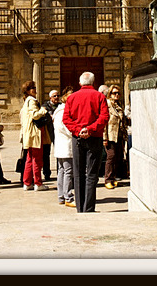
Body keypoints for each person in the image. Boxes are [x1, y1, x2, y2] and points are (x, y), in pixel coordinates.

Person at [62, 71, 109, 213]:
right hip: (94, 138)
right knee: (92, 174)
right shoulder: (100, 96)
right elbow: (104, 117)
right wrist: (90, 129)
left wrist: (78, 130)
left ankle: (80, 207)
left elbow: (66, 119)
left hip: (77, 139)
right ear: (93, 83)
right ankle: (89, 208)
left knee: (78, 173)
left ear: (80, 83)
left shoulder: (72, 98)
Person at [19, 80, 49, 191]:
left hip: (29, 133)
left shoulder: (26, 101)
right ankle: (38, 182)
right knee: (37, 158)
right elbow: (35, 115)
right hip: (35, 133)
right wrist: (43, 110)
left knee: (29, 158)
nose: (35, 90)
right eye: (33, 88)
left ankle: (27, 182)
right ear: (28, 90)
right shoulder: (32, 101)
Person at [52, 87, 75, 207]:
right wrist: (75, 133)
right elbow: (65, 127)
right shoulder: (62, 111)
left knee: (62, 171)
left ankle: (61, 196)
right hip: (65, 145)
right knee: (67, 171)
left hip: (61, 146)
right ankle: (68, 197)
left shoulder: (59, 110)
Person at [103, 85, 128, 189]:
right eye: (114, 93)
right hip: (110, 135)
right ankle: (107, 179)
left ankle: (114, 178)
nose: (116, 95)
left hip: (119, 135)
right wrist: (105, 138)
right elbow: (105, 123)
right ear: (110, 94)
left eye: (118, 93)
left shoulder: (119, 105)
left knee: (118, 157)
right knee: (111, 157)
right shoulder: (107, 105)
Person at [41, 89, 60, 181]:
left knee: (59, 153)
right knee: (46, 154)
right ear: (50, 98)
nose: (57, 98)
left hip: (58, 132)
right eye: (54, 96)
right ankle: (46, 173)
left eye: (57, 96)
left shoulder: (60, 106)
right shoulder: (45, 106)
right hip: (48, 132)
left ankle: (59, 172)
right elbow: (45, 117)